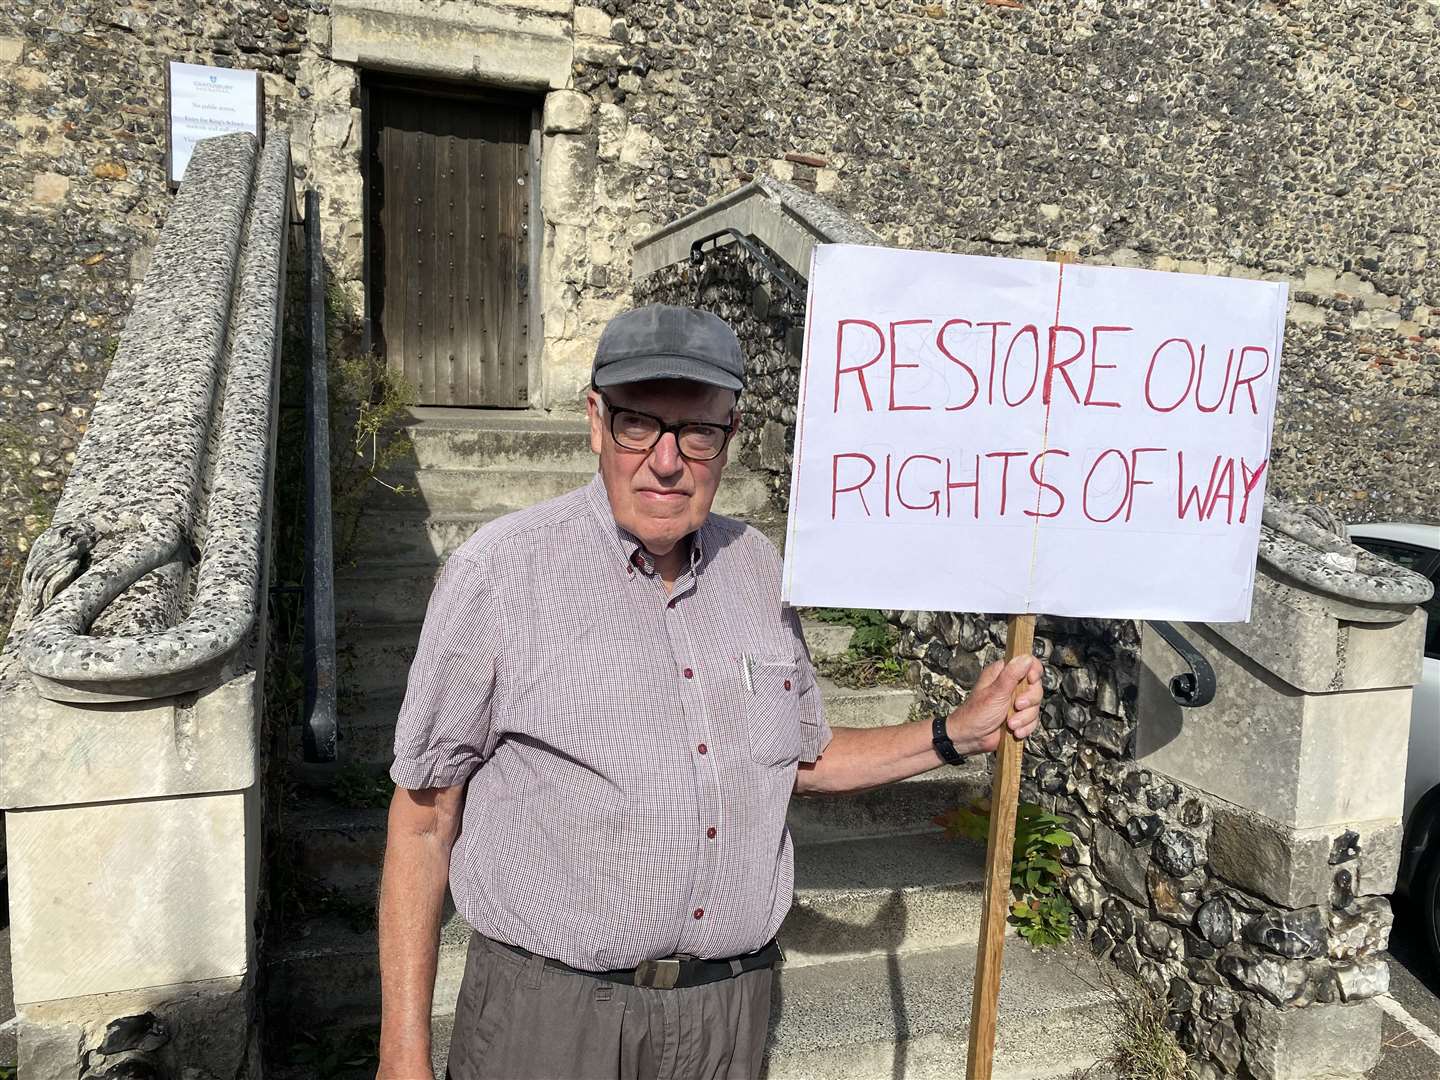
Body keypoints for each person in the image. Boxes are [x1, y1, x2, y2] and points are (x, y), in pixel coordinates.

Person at [375, 304, 1043, 1080]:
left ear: (730, 436)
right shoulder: (498, 574)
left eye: (698, 432)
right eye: (638, 424)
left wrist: (955, 733)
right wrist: (402, 1053)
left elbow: (801, 757)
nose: (667, 460)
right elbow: (423, 825)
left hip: (727, 1018)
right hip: (550, 1023)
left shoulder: (757, 569)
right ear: (596, 421)